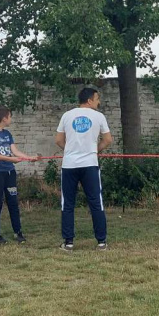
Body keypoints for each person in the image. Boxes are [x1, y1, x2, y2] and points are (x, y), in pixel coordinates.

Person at [56, 87, 113, 251]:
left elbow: (58, 140)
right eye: (97, 99)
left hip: (69, 165)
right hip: (90, 164)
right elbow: (107, 139)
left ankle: (68, 242)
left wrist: (70, 151)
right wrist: (94, 150)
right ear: (89, 100)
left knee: (68, 203)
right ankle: (101, 242)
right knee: (96, 202)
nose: (99, 102)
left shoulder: (67, 115)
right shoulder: (99, 116)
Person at [0, 106, 38, 244]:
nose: (11, 119)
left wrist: (28, 157)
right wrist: (9, 159)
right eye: (10, 116)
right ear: (4, 118)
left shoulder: (7, 133)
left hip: (10, 172)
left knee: (13, 202)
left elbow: (15, 151)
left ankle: (18, 232)